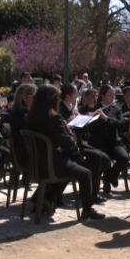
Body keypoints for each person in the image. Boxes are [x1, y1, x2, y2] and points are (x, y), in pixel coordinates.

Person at [25, 85, 105, 220]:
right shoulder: (54, 117)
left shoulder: (31, 116)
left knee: (71, 167)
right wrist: (73, 142)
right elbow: (67, 143)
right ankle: (87, 210)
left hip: (36, 164)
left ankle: (46, 200)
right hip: (51, 164)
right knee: (85, 173)